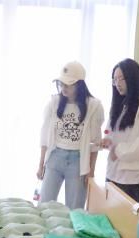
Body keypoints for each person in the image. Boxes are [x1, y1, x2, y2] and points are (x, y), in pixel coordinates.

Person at [36, 61, 104, 209]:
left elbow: (95, 142)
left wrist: (91, 171)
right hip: (55, 157)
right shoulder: (54, 103)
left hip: (78, 161)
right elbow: (44, 137)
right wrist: (41, 165)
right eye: (61, 84)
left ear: (79, 85)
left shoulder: (93, 106)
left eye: (68, 84)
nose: (63, 88)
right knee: (44, 205)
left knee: (75, 209)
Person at [101, 59, 139, 202]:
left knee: (125, 215)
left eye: (121, 78)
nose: (117, 83)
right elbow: (110, 130)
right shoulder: (120, 105)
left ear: (133, 78)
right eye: (115, 79)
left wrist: (118, 150)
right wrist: (107, 140)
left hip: (131, 178)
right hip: (112, 172)